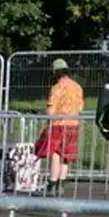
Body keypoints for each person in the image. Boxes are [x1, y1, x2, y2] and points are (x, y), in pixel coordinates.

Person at [35, 58, 83, 191]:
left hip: (58, 124)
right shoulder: (77, 87)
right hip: (73, 123)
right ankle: (62, 181)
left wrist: (45, 113)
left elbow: (51, 109)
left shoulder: (57, 87)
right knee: (66, 155)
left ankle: (52, 181)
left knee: (55, 153)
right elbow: (80, 107)